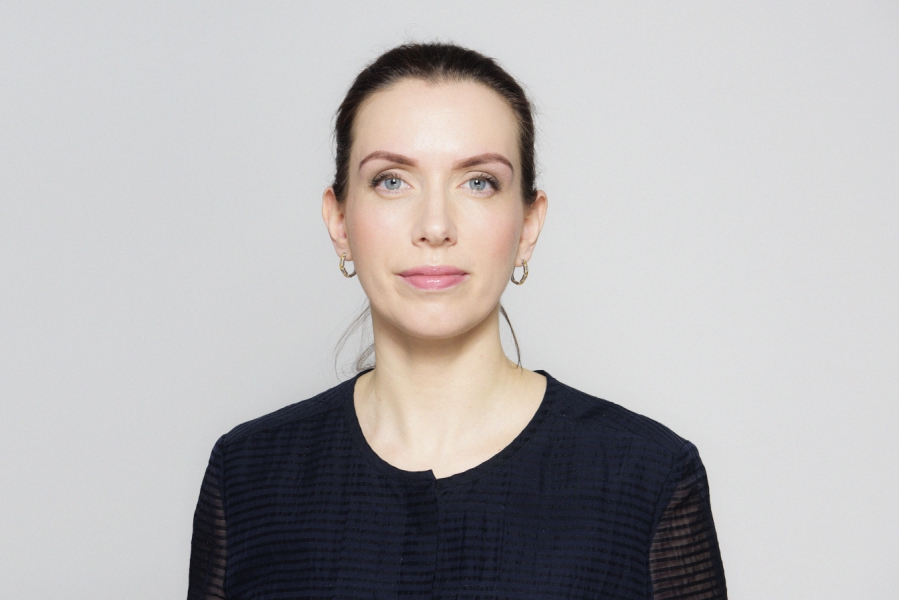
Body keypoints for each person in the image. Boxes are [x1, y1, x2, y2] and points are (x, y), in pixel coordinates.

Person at [187, 42, 727, 599]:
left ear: (528, 226)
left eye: (478, 182)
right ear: (339, 221)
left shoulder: (647, 476)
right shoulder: (247, 474)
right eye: (392, 180)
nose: (435, 225)